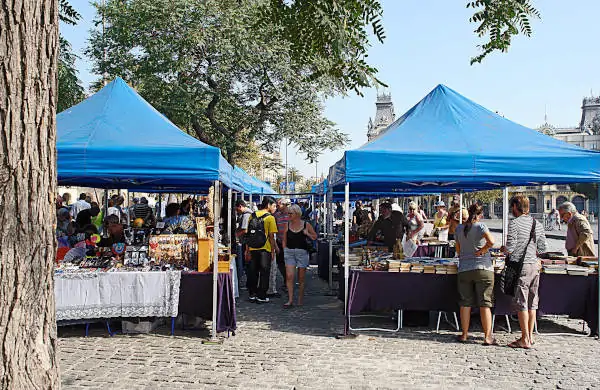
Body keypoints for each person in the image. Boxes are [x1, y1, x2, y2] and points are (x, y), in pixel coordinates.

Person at [501, 195, 547, 349]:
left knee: (522, 302)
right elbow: (542, 248)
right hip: (535, 265)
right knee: (532, 302)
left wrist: (504, 249)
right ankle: (531, 336)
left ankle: (524, 339)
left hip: (522, 267)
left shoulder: (514, 223)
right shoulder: (537, 224)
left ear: (515, 206)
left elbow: (510, 248)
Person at [454, 204, 496, 345]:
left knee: (465, 303)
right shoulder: (481, 227)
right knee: (485, 303)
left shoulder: (459, 228)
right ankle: (487, 336)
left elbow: (458, 250)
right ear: (480, 215)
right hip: (483, 267)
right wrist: (483, 250)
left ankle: (464, 334)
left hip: (464, 268)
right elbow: (492, 242)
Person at [282, 204, 317, 307]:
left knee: (301, 278)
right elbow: (284, 238)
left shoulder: (306, 225)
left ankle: (300, 299)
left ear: (297, 214)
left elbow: (315, 237)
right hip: (289, 252)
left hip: (302, 252)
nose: (288, 215)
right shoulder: (287, 224)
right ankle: (290, 299)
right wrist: (285, 249)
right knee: (289, 276)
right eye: (288, 213)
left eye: (290, 213)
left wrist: (308, 234)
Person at [247, 196, 279, 303]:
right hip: (265, 249)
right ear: (268, 205)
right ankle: (261, 296)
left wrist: (247, 250)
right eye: (274, 206)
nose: (275, 208)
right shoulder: (270, 218)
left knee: (253, 271)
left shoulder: (252, 215)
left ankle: (252, 294)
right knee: (264, 272)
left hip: (252, 248)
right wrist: (273, 251)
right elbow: (271, 237)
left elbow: (248, 235)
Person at [271, 198, 291, 296]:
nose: (277, 207)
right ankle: (286, 280)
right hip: (279, 242)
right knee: (280, 263)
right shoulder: (276, 216)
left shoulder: (291, 215)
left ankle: (288, 283)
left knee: (289, 264)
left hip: (289, 243)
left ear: (285, 205)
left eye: (279, 205)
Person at [235, 200, 253, 282]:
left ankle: (247, 280)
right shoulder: (247, 214)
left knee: (246, 262)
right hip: (247, 241)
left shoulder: (246, 215)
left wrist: (236, 235)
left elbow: (245, 230)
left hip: (246, 242)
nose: (236, 211)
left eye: (237, 209)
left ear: (240, 206)